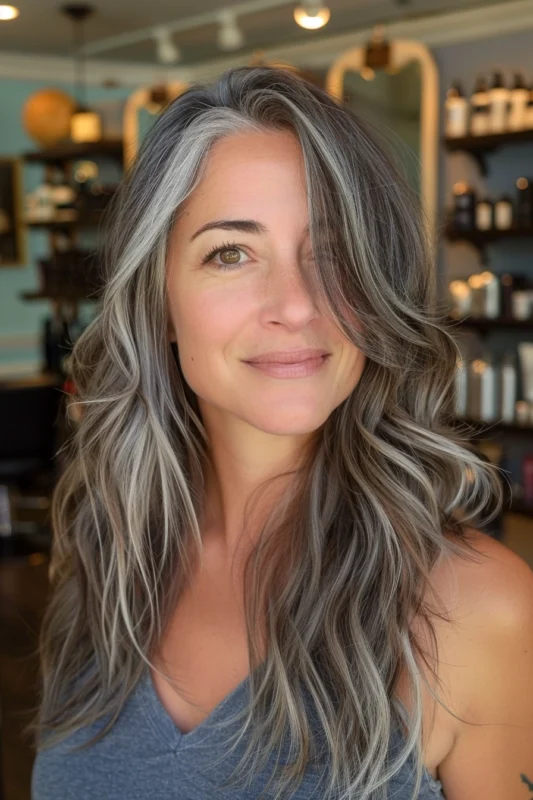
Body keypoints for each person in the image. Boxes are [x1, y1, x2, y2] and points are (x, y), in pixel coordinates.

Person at [29, 65, 533, 800]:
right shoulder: (106, 552)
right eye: (230, 252)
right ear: (160, 300)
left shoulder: (475, 607)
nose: (296, 305)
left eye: (330, 251)